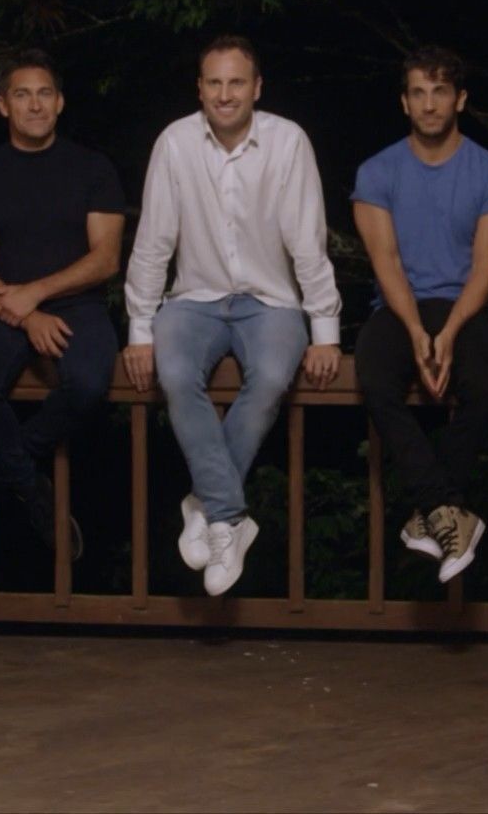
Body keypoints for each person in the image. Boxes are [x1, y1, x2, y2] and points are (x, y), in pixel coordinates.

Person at [122, 35, 343, 596]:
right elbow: (153, 241)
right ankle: (229, 517)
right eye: (215, 83)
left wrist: (324, 328)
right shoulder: (175, 142)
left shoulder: (288, 141)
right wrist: (140, 328)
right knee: (175, 374)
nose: (225, 94)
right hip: (193, 298)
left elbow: (308, 241)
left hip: (270, 301)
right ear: (200, 89)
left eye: (236, 82)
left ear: (257, 88)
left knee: (269, 377)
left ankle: (207, 505)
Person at [351, 46, 488, 583]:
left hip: (466, 308)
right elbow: (386, 262)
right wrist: (417, 330)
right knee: (374, 375)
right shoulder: (377, 172)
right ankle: (448, 510)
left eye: (440, 92)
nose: (429, 104)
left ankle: (431, 514)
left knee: (487, 382)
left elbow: (486, 267)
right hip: (399, 305)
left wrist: (448, 332)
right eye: (418, 93)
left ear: (459, 100)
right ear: (404, 102)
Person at [0, 50, 125, 560]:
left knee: (88, 384)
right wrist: (26, 313)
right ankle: (32, 491)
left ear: (60, 102)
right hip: (2, 306)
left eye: (44, 93)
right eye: (22, 95)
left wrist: (38, 293)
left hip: (77, 305)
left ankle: (11, 467)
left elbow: (106, 259)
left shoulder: (93, 169)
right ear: (3, 105)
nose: (34, 105)